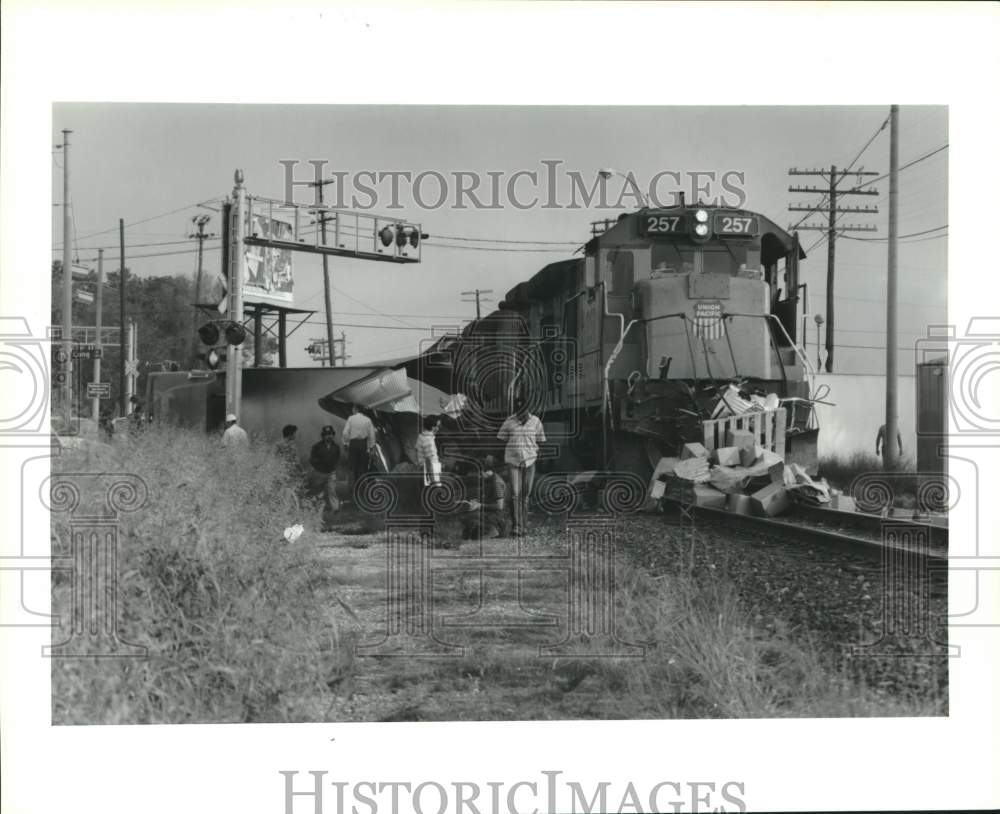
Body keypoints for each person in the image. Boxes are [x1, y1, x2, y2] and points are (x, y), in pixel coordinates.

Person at [497, 403, 546, 536]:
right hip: (513, 462)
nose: (521, 415)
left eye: (523, 412)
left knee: (525, 496)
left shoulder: (536, 421)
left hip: (530, 462)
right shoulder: (509, 421)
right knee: (515, 495)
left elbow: (541, 440)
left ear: (527, 410)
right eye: (518, 412)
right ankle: (516, 527)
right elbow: (501, 439)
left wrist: (536, 453)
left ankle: (524, 526)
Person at [342, 404, 377, 501]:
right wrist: (371, 448)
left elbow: (345, 433)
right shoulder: (368, 420)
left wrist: (345, 443)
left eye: (353, 408)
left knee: (353, 468)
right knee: (363, 468)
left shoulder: (351, 418)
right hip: (363, 444)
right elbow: (372, 436)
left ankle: (353, 490)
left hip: (353, 445)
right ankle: (363, 491)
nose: (352, 410)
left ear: (356, 409)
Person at [309, 425, 341, 531]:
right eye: (327, 435)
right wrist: (319, 464)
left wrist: (333, 468)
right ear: (323, 436)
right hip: (319, 473)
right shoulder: (317, 447)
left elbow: (337, 458)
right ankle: (318, 513)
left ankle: (335, 509)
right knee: (318, 494)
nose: (329, 436)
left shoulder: (336, 447)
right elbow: (312, 460)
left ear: (333, 435)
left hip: (331, 473)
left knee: (332, 490)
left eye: (331, 434)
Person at [481, 455, 510, 538]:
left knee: (473, 515)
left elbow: (500, 506)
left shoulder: (496, 482)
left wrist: (480, 505)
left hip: (500, 514)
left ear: (487, 471)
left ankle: (493, 530)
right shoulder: (490, 480)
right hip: (495, 512)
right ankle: (490, 530)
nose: (480, 475)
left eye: (481, 472)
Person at [416, 414, 441, 486]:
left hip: (423, 474)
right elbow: (429, 463)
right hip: (430, 477)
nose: (438, 429)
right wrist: (435, 483)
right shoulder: (428, 441)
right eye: (438, 426)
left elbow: (417, 452)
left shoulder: (421, 436)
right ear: (433, 427)